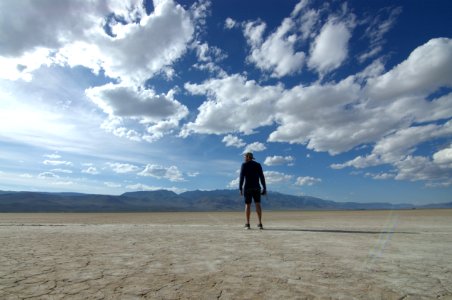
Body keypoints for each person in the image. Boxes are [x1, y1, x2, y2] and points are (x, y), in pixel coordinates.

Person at [239, 152, 267, 230]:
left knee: (248, 205)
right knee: (258, 204)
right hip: (257, 187)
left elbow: (241, 177)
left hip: (248, 187)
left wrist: (240, 188)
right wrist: (264, 187)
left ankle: (247, 224)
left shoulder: (244, 165)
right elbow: (262, 177)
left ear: (248, 157)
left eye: (245, 157)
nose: (244, 158)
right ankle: (260, 224)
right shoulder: (258, 165)